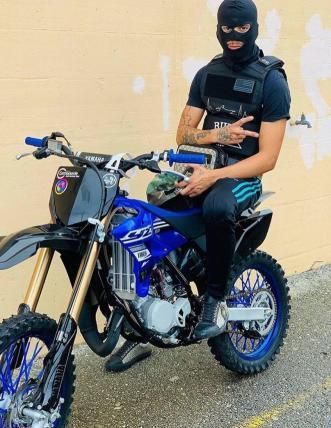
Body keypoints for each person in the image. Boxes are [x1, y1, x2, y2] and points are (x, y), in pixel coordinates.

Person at [105, 0, 291, 372]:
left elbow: (268, 158)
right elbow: (184, 133)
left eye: (242, 29)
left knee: (217, 208)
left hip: (242, 177)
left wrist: (215, 175)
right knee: (149, 207)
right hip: (196, 170)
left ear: (253, 27)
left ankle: (215, 299)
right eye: (227, 28)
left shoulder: (271, 81)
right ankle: (142, 323)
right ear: (218, 27)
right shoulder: (207, 74)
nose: (234, 36)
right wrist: (219, 134)